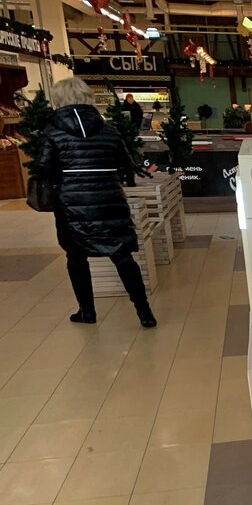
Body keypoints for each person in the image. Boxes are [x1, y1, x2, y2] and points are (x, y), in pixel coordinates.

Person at [35, 77, 156, 328]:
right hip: (109, 198)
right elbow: (125, 164)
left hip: (72, 203)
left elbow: (43, 168)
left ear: (58, 100)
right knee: (122, 255)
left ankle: (87, 311)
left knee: (76, 256)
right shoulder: (108, 130)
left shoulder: (52, 132)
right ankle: (144, 312)